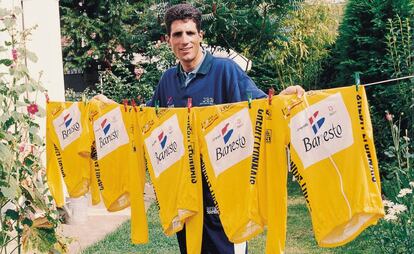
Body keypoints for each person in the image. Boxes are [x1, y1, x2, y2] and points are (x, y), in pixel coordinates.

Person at [95, 3, 304, 253]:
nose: (184, 40)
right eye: (177, 34)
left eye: (190, 33)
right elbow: (143, 121)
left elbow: (261, 107)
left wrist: (284, 98)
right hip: (183, 190)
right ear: (169, 40)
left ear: (200, 36)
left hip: (224, 189)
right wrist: (113, 109)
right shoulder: (167, 81)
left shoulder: (224, 70)